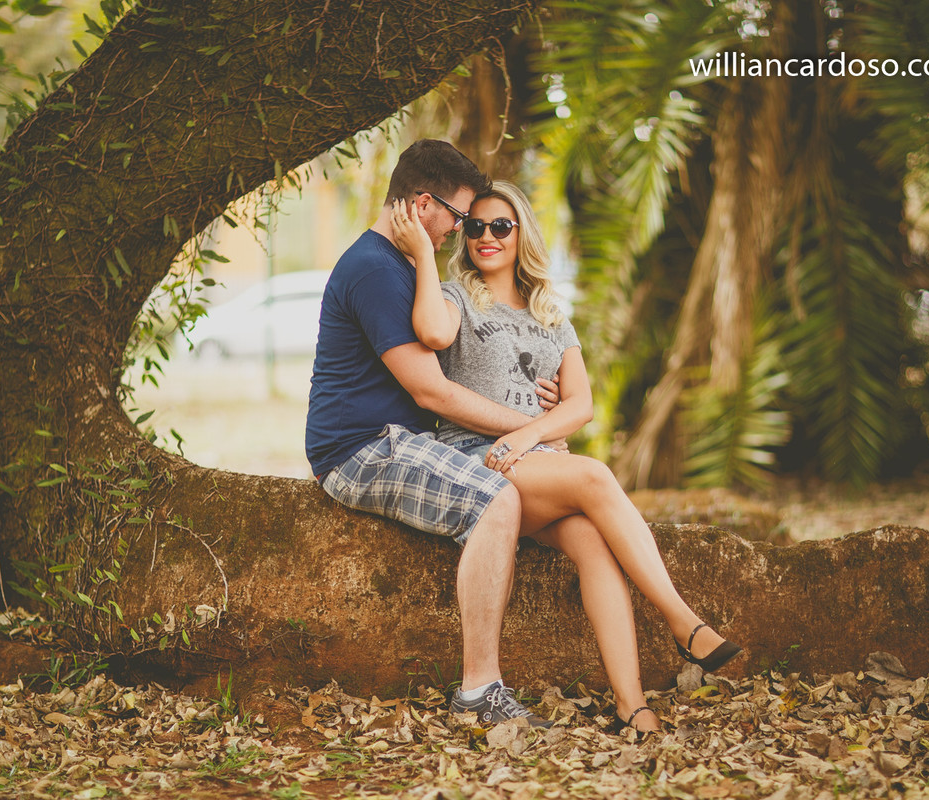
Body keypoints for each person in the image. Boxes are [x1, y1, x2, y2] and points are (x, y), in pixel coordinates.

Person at [390, 180, 742, 734]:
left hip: (533, 465)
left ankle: (633, 705)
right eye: (476, 226)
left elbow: (581, 405)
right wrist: (424, 255)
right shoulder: (456, 297)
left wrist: (531, 434)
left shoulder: (552, 315)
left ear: (521, 233)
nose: (486, 236)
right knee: (596, 475)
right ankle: (682, 621)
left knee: (594, 544)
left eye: (500, 226)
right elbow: (431, 331)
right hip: (480, 464)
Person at [307, 140, 576, 729]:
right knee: (496, 499)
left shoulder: (403, 264)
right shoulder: (376, 269)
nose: (461, 233)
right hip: (360, 448)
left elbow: (467, 356)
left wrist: (541, 400)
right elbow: (433, 392)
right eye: (458, 219)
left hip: (397, 439)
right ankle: (479, 690)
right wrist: (534, 429)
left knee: (513, 489)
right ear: (423, 205)